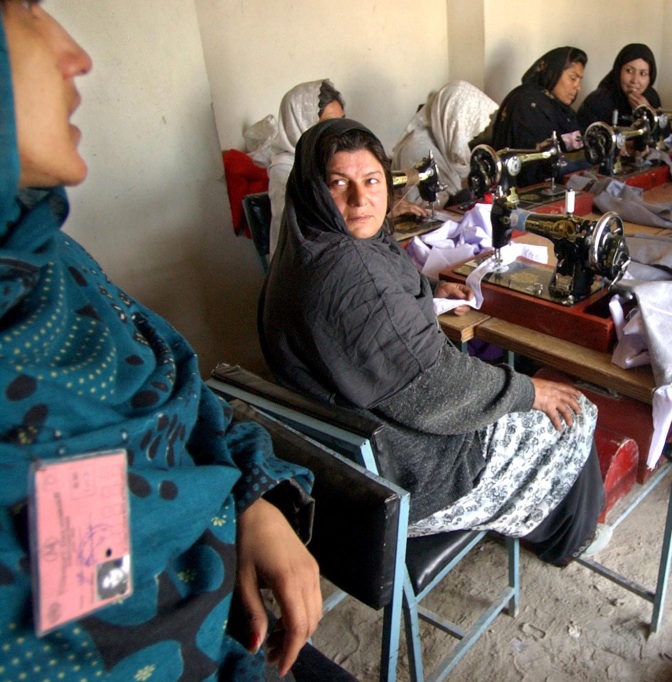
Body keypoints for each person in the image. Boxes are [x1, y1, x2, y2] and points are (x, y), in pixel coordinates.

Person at [0, 2, 324, 679]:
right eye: (25, 8)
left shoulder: (49, 262)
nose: (76, 55)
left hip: (227, 613)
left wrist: (253, 496)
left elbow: (180, 385)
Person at [259, 118, 607, 565]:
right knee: (575, 414)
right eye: (338, 184)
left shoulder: (303, 248)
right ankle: (563, 541)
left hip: (344, 465)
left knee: (522, 397)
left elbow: (374, 324)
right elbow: (434, 388)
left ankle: (536, 515)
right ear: (312, 189)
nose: (360, 199)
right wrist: (528, 392)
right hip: (408, 478)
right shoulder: (350, 274)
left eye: (371, 181)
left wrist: (423, 296)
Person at [267, 79, 346, 257]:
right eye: (326, 126)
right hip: (300, 262)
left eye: (341, 122)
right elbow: (312, 232)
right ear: (300, 126)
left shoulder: (325, 158)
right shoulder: (284, 170)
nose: (339, 133)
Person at [391, 80, 498, 208]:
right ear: (454, 120)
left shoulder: (449, 141)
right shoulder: (415, 148)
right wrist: (456, 198)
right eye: (468, 127)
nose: (472, 134)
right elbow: (416, 205)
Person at [491, 46, 588, 187]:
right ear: (552, 73)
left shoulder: (560, 109)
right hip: (520, 191)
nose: (577, 87)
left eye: (580, 80)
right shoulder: (528, 104)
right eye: (573, 78)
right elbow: (533, 170)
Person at [577, 43, 662, 130]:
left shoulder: (652, 98)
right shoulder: (597, 101)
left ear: (650, 77)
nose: (635, 80)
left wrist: (649, 114)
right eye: (629, 71)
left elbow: (667, 138)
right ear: (618, 71)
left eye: (643, 73)